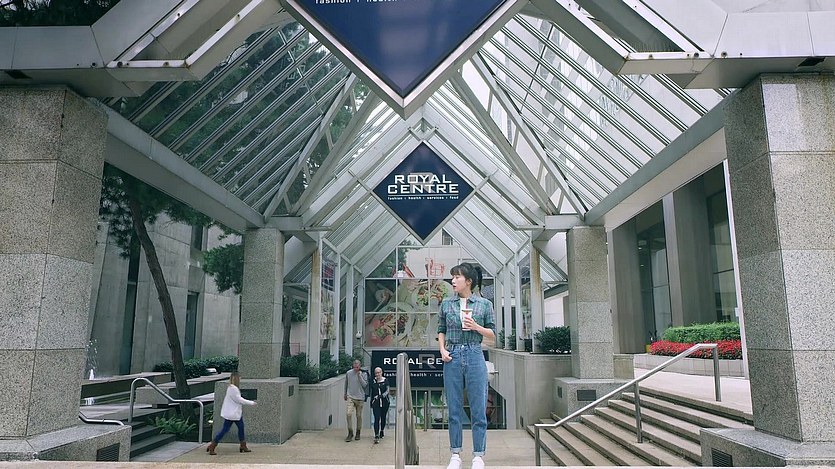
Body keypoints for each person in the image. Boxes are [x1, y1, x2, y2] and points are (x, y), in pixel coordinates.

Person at [438, 263, 495, 469]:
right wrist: (442, 349)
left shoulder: (484, 304)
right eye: (452, 277)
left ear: (468, 281)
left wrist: (476, 327)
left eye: (457, 277)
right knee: (454, 408)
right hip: (452, 355)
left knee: (478, 409)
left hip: (474, 353)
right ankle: (455, 454)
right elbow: (441, 329)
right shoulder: (446, 303)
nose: (453, 281)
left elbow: (492, 334)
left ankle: (478, 455)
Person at [206, 371, 256, 455]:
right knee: (227, 429)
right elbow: (239, 400)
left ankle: (242, 445)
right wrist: (251, 403)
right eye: (239, 377)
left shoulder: (231, 388)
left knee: (238, 428)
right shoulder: (233, 389)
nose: (240, 379)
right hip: (233, 414)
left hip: (233, 413)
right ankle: (213, 445)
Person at [343, 359, 368, 442]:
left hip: (360, 397)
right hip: (350, 396)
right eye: (354, 367)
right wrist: (345, 393)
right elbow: (346, 383)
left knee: (359, 416)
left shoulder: (364, 373)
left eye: (357, 367)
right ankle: (350, 432)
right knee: (348, 414)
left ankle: (358, 432)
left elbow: (365, 385)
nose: (356, 368)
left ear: (360, 366)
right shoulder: (349, 373)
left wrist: (359, 376)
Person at [369, 366, 390, 443]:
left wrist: (381, 396)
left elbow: (387, 391)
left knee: (383, 417)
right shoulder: (373, 381)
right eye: (376, 373)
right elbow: (371, 391)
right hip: (376, 403)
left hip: (385, 403)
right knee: (376, 418)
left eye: (379, 372)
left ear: (381, 373)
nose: (377, 374)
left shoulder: (385, 381)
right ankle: (376, 434)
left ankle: (382, 430)